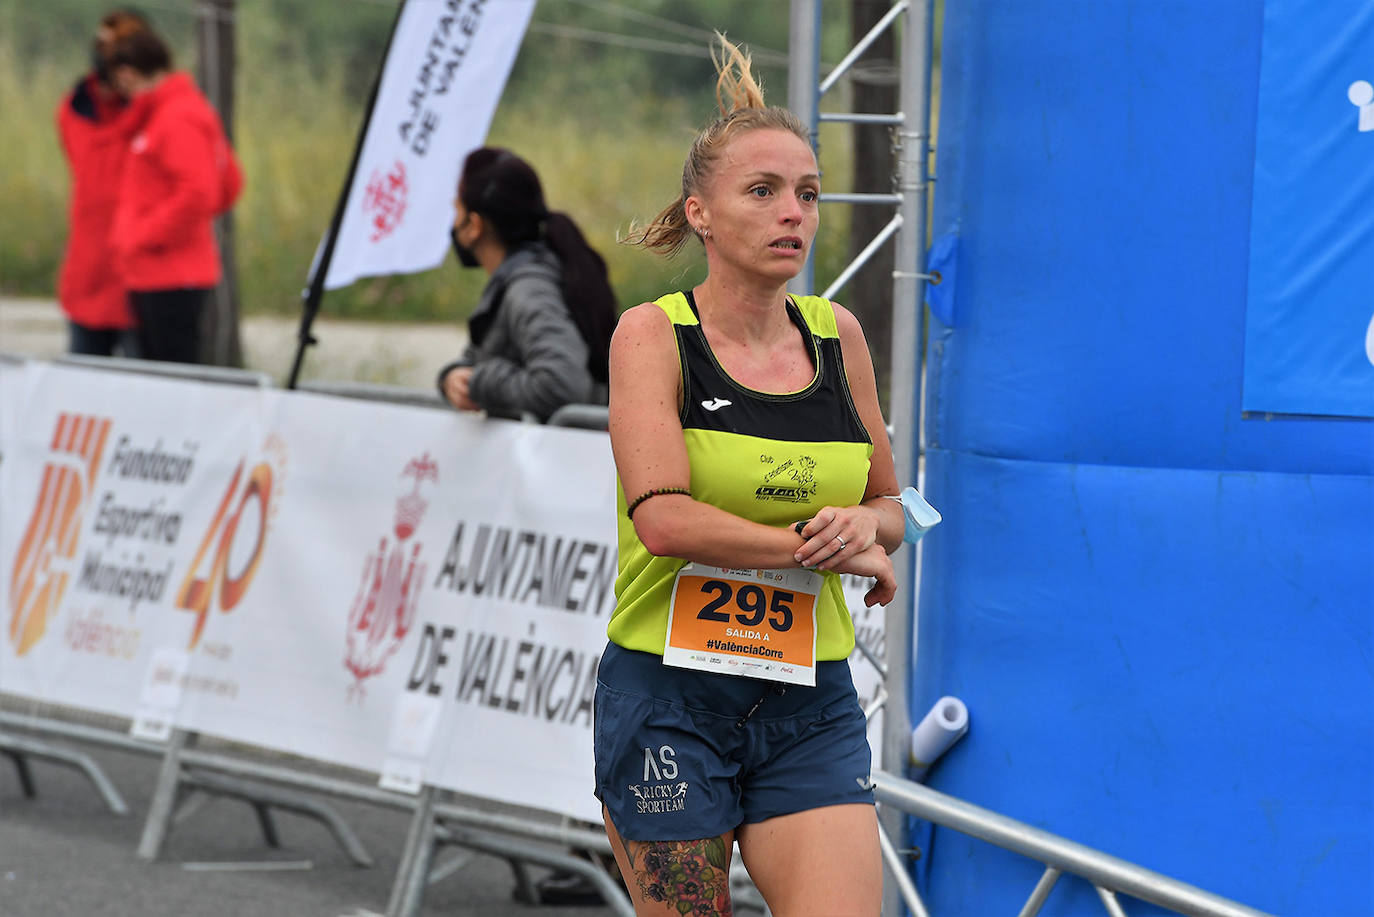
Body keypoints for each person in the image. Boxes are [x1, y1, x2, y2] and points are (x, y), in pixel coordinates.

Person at [594, 35, 904, 916]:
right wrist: (821, 549)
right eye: (762, 192)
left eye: (806, 194)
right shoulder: (653, 336)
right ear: (699, 212)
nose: (792, 214)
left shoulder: (838, 334)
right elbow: (662, 518)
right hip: (669, 700)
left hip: (810, 700)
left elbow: (899, 503)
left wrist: (869, 529)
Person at [436, 147, 618, 423]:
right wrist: (452, 377)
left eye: (457, 208)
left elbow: (562, 385)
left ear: (473, 225)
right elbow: (487, 352)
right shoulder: (534, 271)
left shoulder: (528, 289)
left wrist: (481, 380)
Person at [106, 27, 243, 364]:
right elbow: (225, 183)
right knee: (158, 370)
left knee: (172, 372)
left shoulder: (177, 116)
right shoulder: (162, 113)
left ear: (128, 73)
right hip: (156, 270)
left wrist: (145, 235)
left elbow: (200, 192)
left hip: (170, 271)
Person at [55, 9, 149, 357]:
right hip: (89, 271)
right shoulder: (77, 108)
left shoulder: (157, 111)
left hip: (138, 277)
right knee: (83, 386)